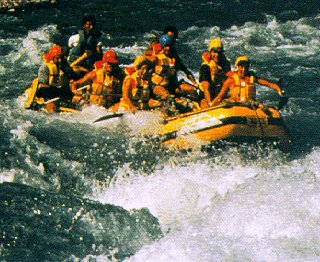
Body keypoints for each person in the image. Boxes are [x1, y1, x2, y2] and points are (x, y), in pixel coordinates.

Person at [211, 55, 284, 106]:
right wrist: (211, 105)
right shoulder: (231, 79)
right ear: (238, 67)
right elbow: (220, 96)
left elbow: (268, 84)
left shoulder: (252, 78)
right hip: (234, 105)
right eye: (241, 67)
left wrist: (278, 88)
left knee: (263, 108)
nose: (243, 70)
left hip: (249, 105)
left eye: (246, 67)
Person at [24, 45, 73, 113]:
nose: (60, 60)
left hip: (60, 92)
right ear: (52, 58)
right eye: (58, 58)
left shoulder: (65, 66)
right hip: (46, 95)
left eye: (61, 58)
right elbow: (43, 88)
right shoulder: (45, 68)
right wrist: (57, 91)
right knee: (52, 108)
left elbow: (70, 80)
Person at [151, 34, 198, 101]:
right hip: (158, 87)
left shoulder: (175, 59)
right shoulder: (155, 58)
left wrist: (195, 83)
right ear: (162, 47)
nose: (168, 48)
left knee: (192, 89)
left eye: (169, 46)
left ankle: (199, 105)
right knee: (166, 96)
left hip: (173, 87)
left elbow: (186, 71)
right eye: (166, 46)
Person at [199, 38, 231, 108]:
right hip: (206, 96)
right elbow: (206, 88)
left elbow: (227, 84)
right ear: (210, 53)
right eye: (214, 52)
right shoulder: (205, 66)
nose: (217, 55)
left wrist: (219, 99)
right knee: (205, 105)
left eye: (219, 52)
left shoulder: (226, 64)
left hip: (220, 95)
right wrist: (210, 103)